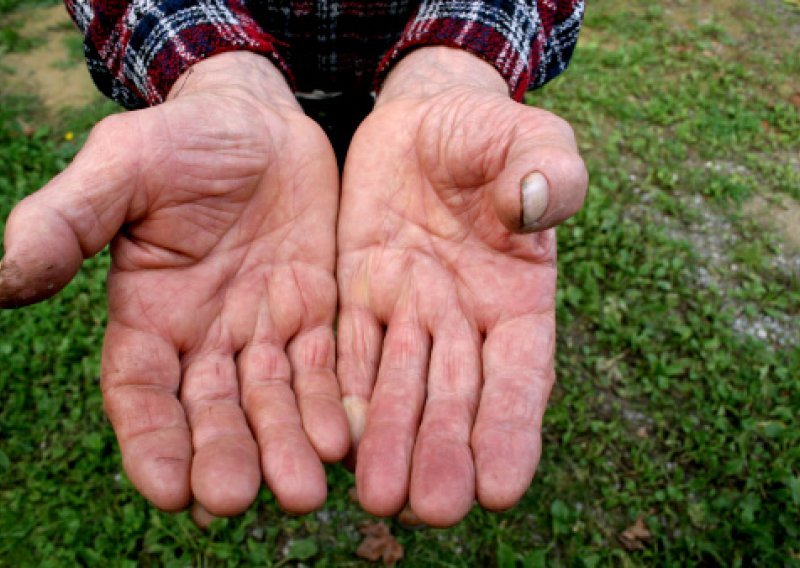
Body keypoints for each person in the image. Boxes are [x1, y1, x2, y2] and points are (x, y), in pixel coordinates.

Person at [0, 1, 588, 528]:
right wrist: (216, 73)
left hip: (429, 115)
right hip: (229, 106)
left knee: (381, 266)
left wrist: (457, 66)